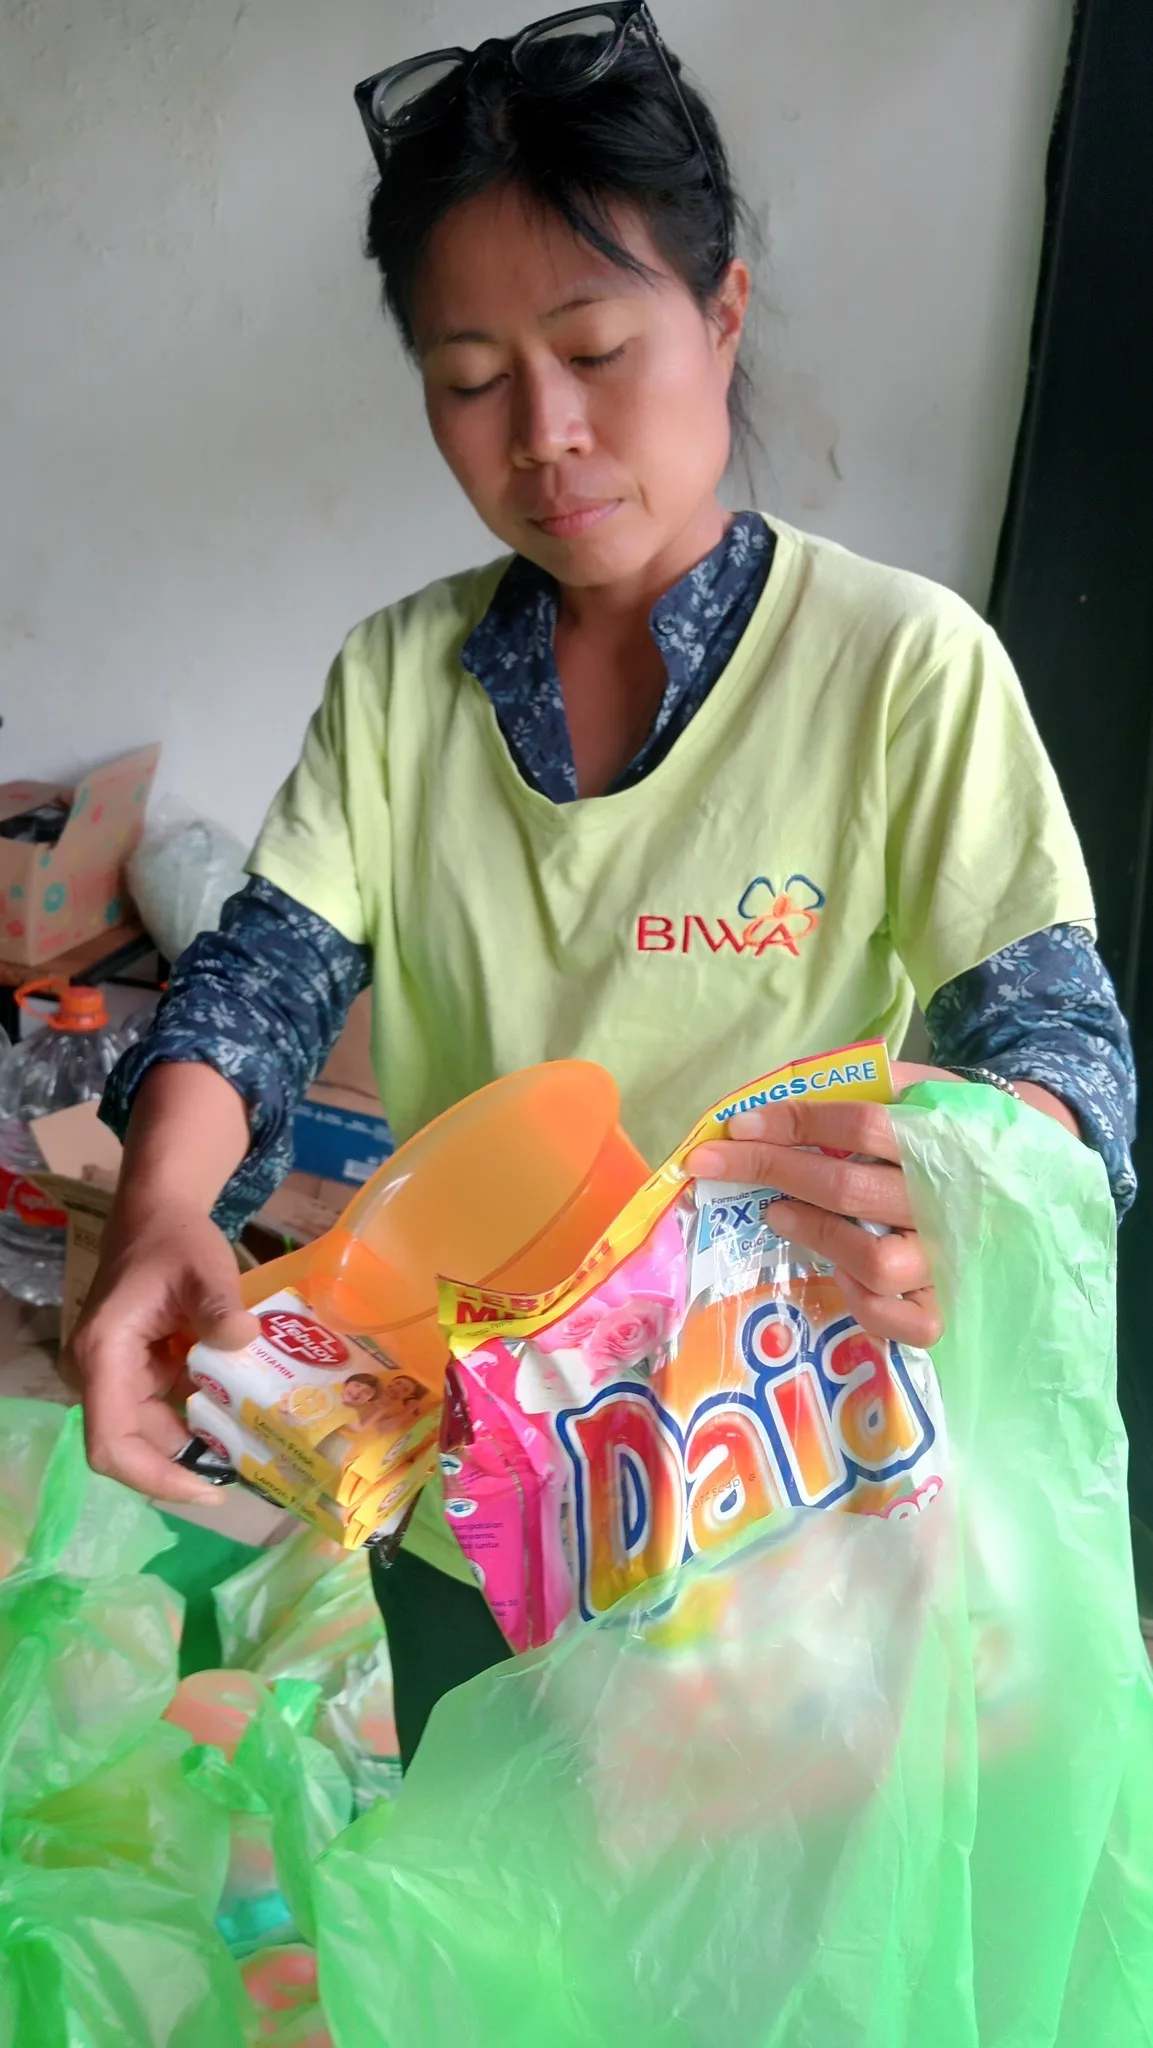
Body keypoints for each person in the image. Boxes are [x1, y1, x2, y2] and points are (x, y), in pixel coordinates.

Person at [71, 4, 1135, 1769]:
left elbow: (1061, 1054)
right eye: (470, 378)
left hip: (765, 1502)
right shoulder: (400, 684)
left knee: (737, 1895)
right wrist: (162, 1209)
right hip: (472, 1491)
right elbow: (261, 978)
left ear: (722, 317)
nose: (545, 431)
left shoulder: (900, 671)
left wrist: (968, 1183)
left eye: (595, 348)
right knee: (485, 1840)